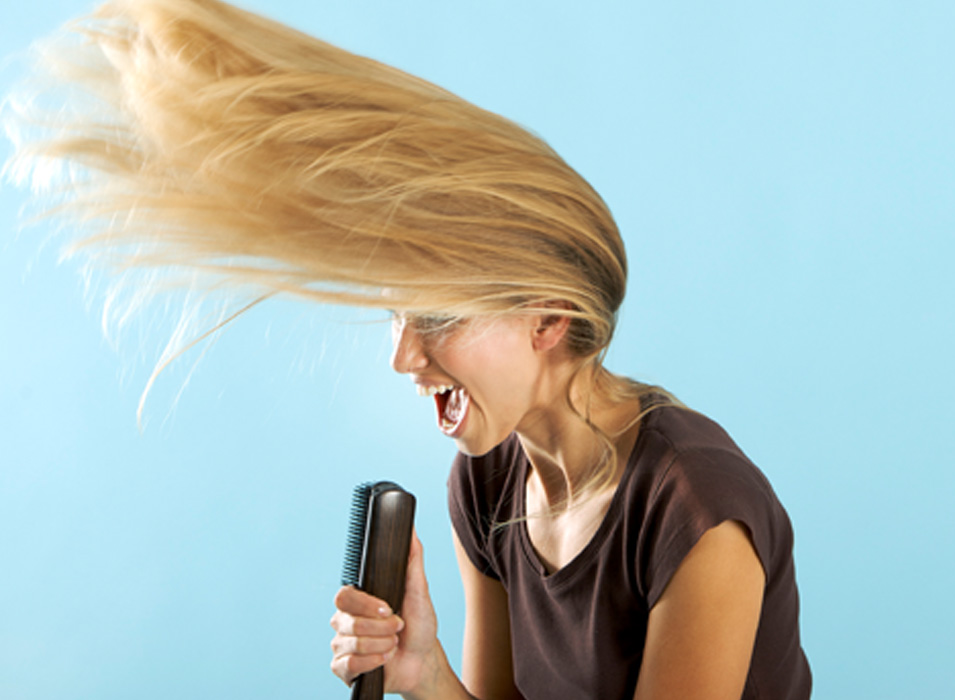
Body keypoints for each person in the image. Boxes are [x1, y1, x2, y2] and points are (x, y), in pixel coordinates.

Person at [6, 0, 812, 697]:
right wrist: (424, 675)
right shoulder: (488, 479)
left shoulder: (696, 511)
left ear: (549, 318)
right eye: (395, 314)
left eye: (436, 317)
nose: (402, 357)